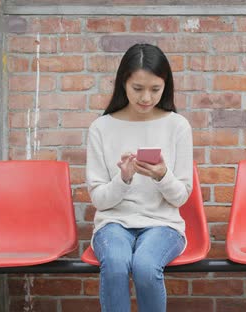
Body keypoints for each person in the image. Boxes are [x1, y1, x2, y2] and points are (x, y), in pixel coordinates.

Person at [86, 43, 193, 312]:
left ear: (165, 86)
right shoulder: (101, 127)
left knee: (146, 266)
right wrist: (122, 180)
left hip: (163, 224)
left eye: (155, 89)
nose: (146, 97)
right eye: (138, 89)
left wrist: (162, 176)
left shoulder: (177, 126)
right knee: (115, 264)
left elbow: (181, 196)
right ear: (124, 83)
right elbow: (99, 199)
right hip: (113, 223)